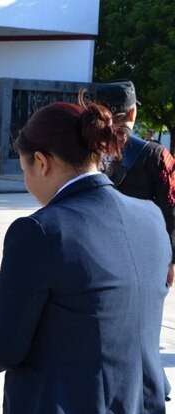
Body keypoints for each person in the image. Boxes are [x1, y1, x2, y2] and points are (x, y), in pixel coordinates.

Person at [0, 98, 171, 414]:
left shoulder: (41, 229)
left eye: (25, 168)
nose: (27, 181)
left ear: (41, 162)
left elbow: (2, 349)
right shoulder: (150, 218)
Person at [90, 80, 175, 286]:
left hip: (90, 251)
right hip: (141, 256)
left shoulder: (82, 149)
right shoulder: (156, 155)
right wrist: (171, 260)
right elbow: (171, 209)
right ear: (132, 113)